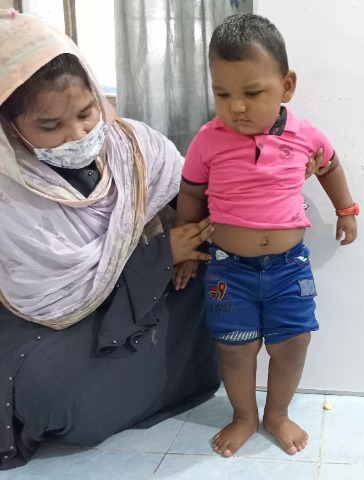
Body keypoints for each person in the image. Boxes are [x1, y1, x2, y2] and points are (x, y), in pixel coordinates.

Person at [0, 10, 228, 470]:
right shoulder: (10, 192)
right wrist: (162, 255)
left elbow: (198, 199)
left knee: (222, 282)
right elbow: (47, 295)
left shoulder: (133, 146)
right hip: (62, 320)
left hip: (153, 289)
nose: (78, 134)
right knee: (48, 395)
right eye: (50, 126)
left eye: (86, 113)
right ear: (10, 125)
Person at [173, 14, 359, 458]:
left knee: (293, 343)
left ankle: (277, 413)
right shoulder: (207, 140)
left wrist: (346, 209)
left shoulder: (304, 136)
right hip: (228, 270)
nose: (236, 107)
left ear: (286, 86)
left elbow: (330, 166)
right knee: (235, 349)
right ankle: (243, 415)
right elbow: (191, 193)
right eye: (223, 93)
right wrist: (186, 249)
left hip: (289, 267)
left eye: (252, 93)